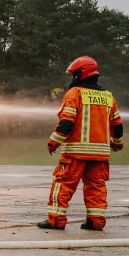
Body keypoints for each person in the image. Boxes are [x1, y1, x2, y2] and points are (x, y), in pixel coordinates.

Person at [39, 56, 123, 230]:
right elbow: (117, 124)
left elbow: (67, 122)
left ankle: (55, 220)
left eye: (74, 74)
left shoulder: (74, 93)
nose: (72, 78)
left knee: (63, 185)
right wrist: (117, 142)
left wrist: (53, 142)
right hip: (100, 156)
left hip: (75, 153)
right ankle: (96, 221)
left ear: (80, 74)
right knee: (96, 187)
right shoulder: (108, 97)